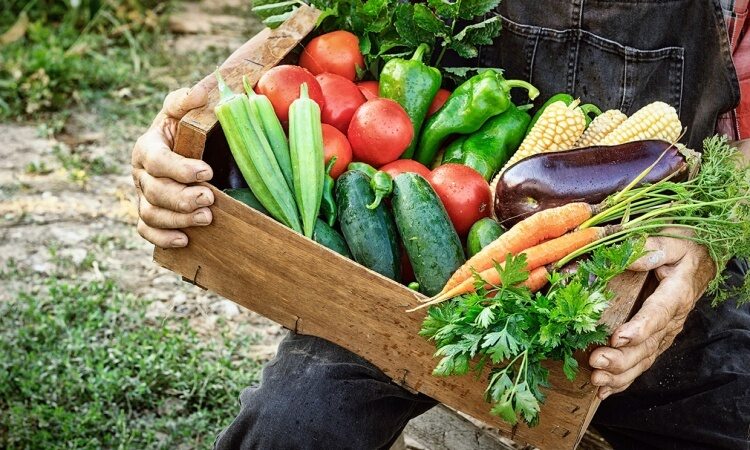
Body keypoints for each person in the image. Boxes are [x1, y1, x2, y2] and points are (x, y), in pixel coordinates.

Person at [131, 1, 750, 448]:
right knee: (291, 426)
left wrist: (706, 243)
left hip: (660, 273)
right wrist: (187, 125)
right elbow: (304, 42)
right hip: (423, 270)